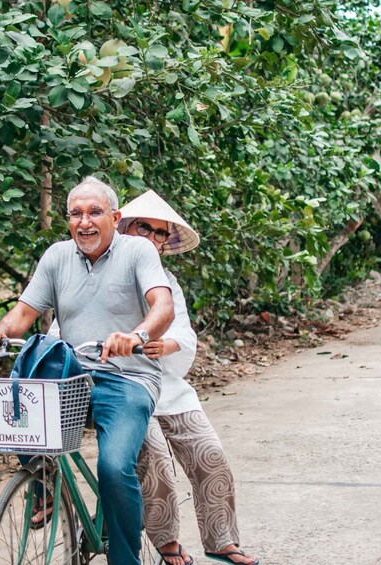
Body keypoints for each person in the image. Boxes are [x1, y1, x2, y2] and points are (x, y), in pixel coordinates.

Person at [0, 176, 174, 565]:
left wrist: (136, 335)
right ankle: (45, 485)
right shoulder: (56, 256)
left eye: (95, 212)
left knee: (114, 467)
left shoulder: (138, 251)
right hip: (72, 375)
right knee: (18, 403)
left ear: (115, 218)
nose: (85, 222)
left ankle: (124, 559)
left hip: (128, 379)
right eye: (76, 213)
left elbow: (162, 307)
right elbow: (23, 313)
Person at [117, 190, 259, 565]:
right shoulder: (101, 271)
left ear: (165, 243)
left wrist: (166, 346)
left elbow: (183, 334)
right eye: (143, 227)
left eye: (160, 232)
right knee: (157, 461)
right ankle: (167, 544)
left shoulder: (166, 282)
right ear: (125, 229)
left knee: (209, 453)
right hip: (123, 389)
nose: (151, 237)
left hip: (167, 387)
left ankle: (222, 540)